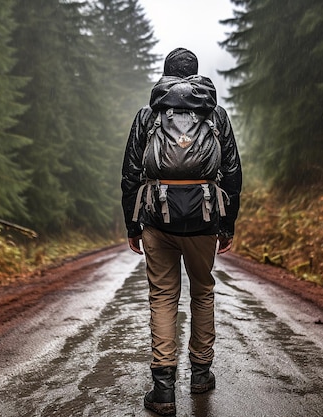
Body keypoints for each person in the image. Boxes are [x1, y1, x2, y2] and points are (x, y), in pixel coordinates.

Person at [121, 47, 242, 416]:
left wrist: (132, 224)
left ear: (166, 75)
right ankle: (201, 375)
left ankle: (163, 391)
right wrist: (227, 223)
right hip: (205, 216)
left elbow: (130, 173)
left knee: (162, 297)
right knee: (203, 292)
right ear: (196, 76)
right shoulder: (215, 114)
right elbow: (233, 172)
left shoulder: (148, 114)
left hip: (157, 217)